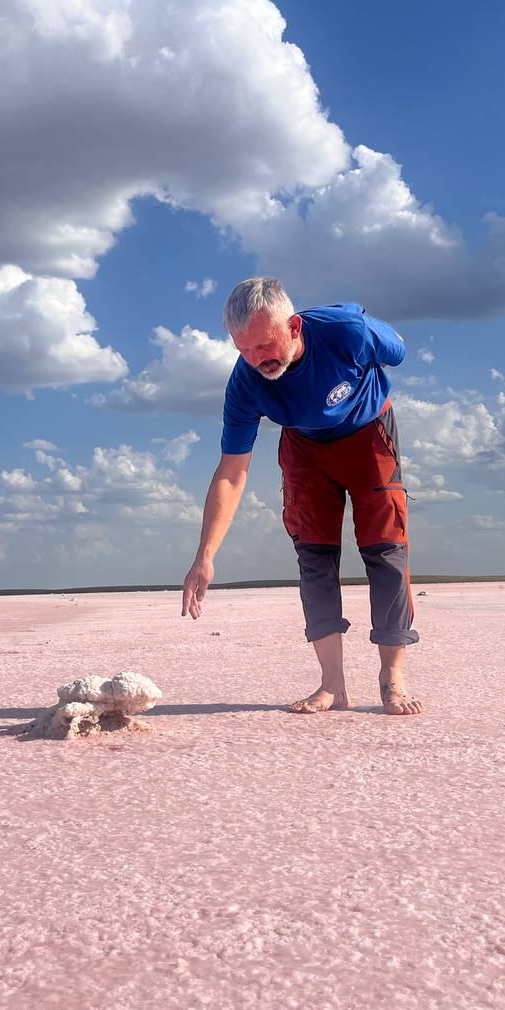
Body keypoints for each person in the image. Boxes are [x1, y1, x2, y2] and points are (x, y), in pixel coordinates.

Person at [181, 276, 423, 716]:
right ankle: (332, 684)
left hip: (369, 434)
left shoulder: (347, 332)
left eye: (264, 346)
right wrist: (205, 554)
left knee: (385, 550)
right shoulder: (246, 383)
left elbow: (398, 351)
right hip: (305, 446)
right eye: (244, 350)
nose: (257, 360)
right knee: (314, 557)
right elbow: (231, 472)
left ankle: (393, 676)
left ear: (294, 327)